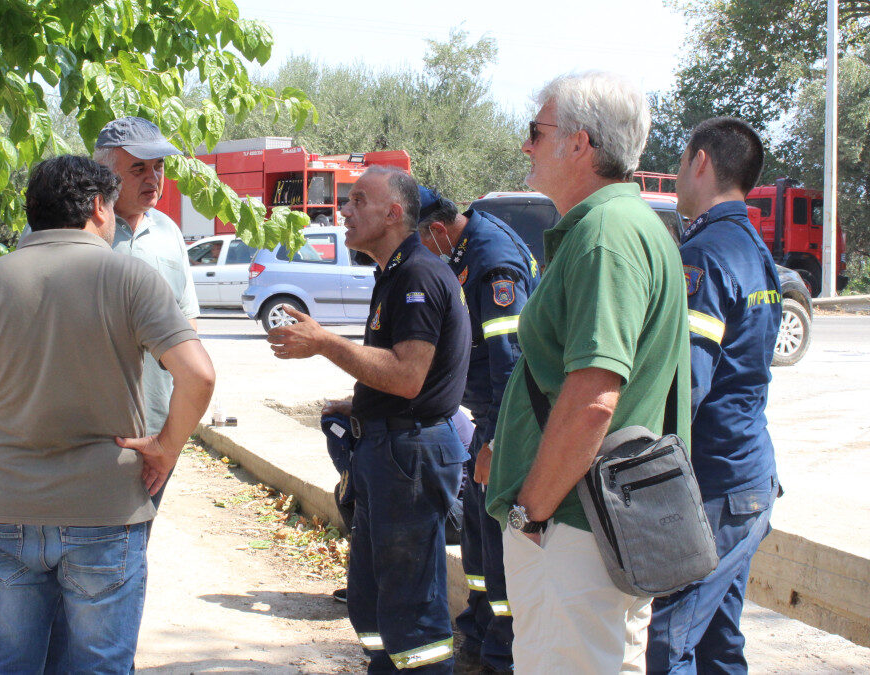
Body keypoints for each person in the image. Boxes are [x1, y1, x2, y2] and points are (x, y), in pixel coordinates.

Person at [0, 155, 215, 672]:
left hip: (7, 507)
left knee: (12, 664)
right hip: (105, 508)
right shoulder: (131, 277)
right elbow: (199, 375)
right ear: (97, 207)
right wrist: (165, 448)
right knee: (99, 664)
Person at [483, 71, 691, 673]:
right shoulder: (626, 225)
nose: (526, 144)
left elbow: (594, 397)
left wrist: (531, 509)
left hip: (574, 530)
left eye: (536, 131)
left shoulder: (605, 235)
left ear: (579, 144)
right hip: (598, 525)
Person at [269, 165, 471, 673]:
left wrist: (325, 342)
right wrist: (359, 404)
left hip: (409, 456)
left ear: (394, 213)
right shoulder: (396, 273)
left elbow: (407, 376)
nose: (344, 210)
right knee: (373, 601)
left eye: (359, 200)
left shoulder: (418, 275)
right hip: (389, 449)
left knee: (411, 610)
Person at [646, 118, 782, 674]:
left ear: (700, 162)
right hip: (747, 478)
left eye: (681, 161)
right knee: (718, 644)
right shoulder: (754, 248)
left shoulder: (703, 255)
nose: (677, 174)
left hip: (716, 489)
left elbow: (687, 386)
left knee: (668, 643)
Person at [417, 187, 540, 673]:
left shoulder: (492, 264)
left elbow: (511, 364)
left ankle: (500, 652)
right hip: (486, 415)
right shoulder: (467, 245)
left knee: (495, 541)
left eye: (418, 242)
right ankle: (477, 626)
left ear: (437, 230)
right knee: (476, 537)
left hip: (503, 419)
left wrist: (493, 442)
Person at [93, 116, 201, 508]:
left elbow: (187, 325)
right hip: (91, 430)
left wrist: (172, 436)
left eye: (158, 167)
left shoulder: (169, 232)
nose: (153, 178)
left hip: (156, 428)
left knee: (139, 535)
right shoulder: (76, 229)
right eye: (138, 168)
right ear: (105, 175)